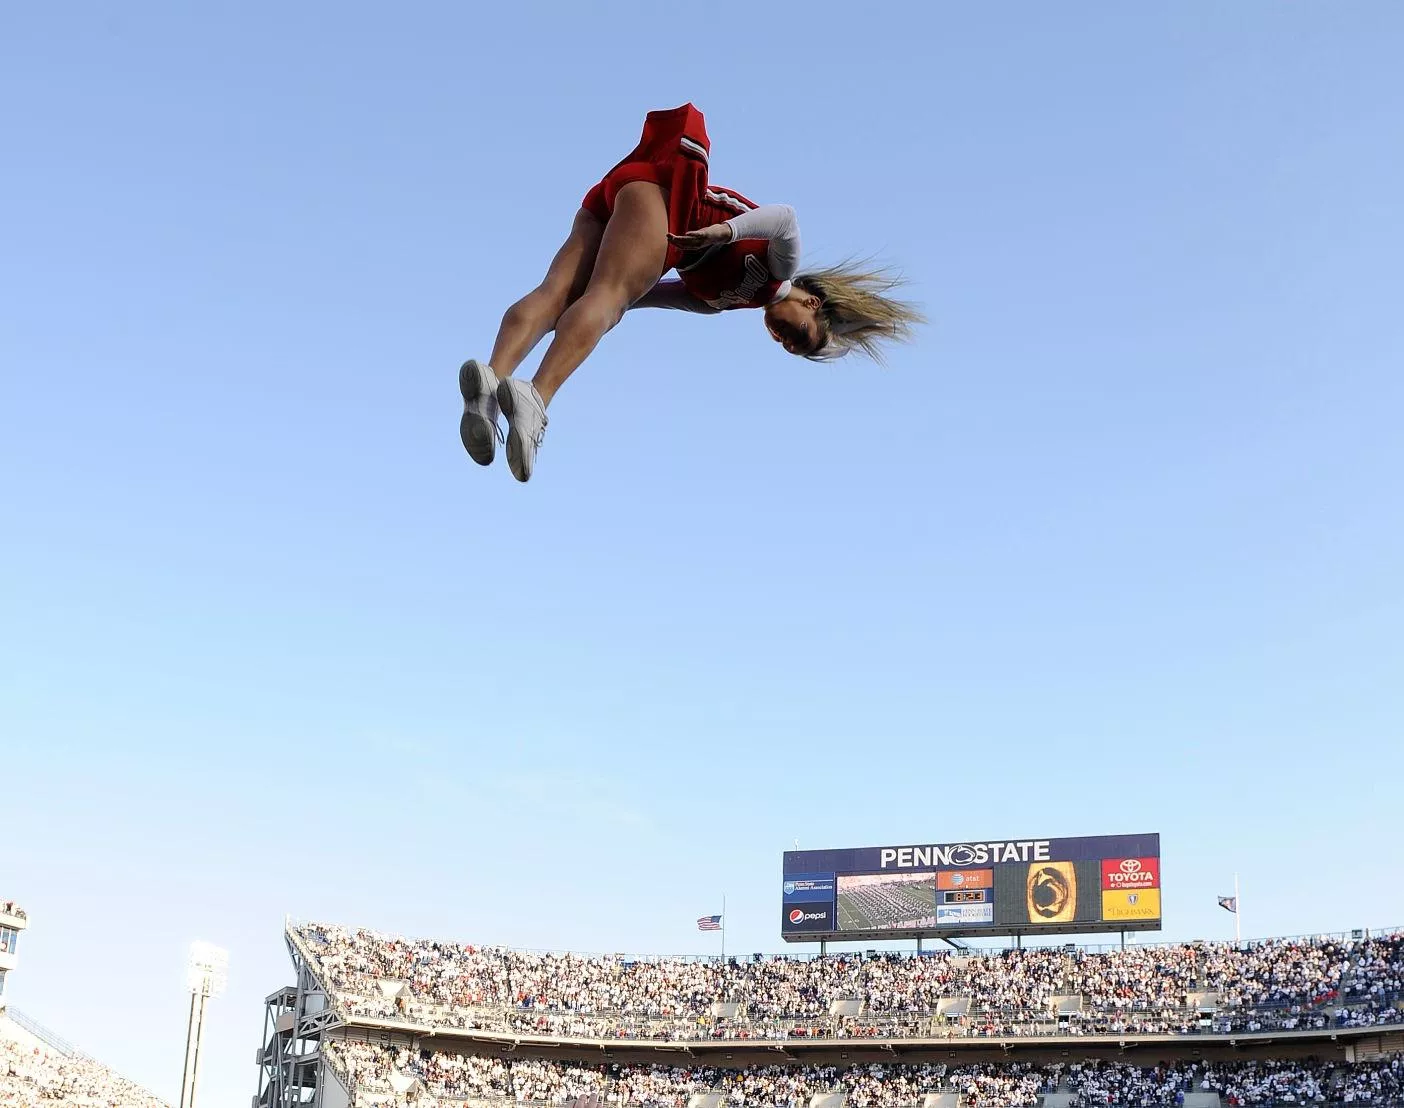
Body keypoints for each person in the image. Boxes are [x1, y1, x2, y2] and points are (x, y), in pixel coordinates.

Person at [459, 103, 924, 482]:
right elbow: (786, 217)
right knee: (608, 297)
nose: (786, 342)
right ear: (811, 303)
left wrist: (589, 312)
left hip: (619, 195)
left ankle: (488, 385)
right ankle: (535, 397)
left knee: (562, 295)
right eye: (800, 336)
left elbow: (647, 297)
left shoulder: (716, 302)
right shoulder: (780, 273)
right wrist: (723, 232)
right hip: (667, 197)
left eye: (791, 349)